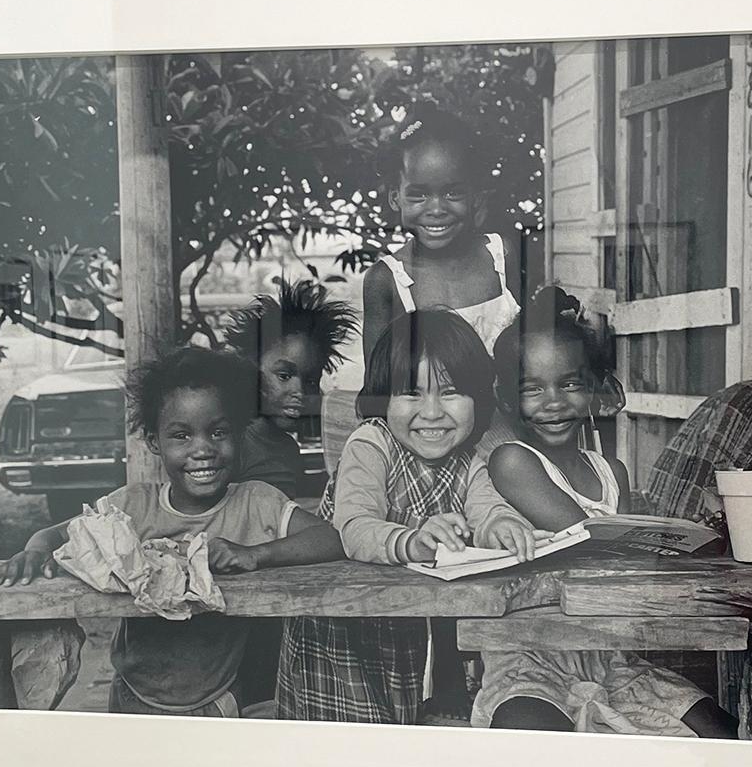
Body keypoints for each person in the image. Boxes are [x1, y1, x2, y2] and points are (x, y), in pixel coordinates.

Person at [0, 345, 342, 716]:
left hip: (220, 700)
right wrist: (34, 551)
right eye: (181, 435)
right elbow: (53, 536)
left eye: (219, 432)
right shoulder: (133, 506)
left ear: (240, 435)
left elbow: (331, 538)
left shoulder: (255, 503)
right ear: (154, 442)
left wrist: (255, 554)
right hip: (132, 699)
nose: (203, 449)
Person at [475, 288, 734, 737]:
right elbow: (591, 541)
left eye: (570, 384)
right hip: (531, 658)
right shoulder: (512, 461)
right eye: (531, 389)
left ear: (593, 387)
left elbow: (629, 564)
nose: (553, 402)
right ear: (505, 398)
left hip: (612, 658)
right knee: (537, 750)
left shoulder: (611, 471)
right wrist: (659, 545)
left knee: (721, 734)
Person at [277, 309, 533, 726]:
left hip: (407, 637)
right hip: (339, 633)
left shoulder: (471, 461)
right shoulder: (371, 444)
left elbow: (487, 508)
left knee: (397, 743)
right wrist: (413, 541)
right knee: (341, 753)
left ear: (478, 400)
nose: (431, 412)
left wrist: (501, 526)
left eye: (450, 392)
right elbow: (354, 529)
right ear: (382, 399)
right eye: (411, 394)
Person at [317, 106, 524, 475]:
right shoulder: (387, 280)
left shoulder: (502, 255)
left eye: (452, 193)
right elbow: (380, 389)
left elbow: (534, 345)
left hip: (508, 436)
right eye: (419, 195)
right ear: (395, 198)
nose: (437, 209)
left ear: (476, 195)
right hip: (430, 444)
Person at [217, 276, 358, 497]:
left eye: (310, 381)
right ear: (248, 369)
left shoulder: (287, 448)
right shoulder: (232, 446)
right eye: (284, 375)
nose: (300, 391)